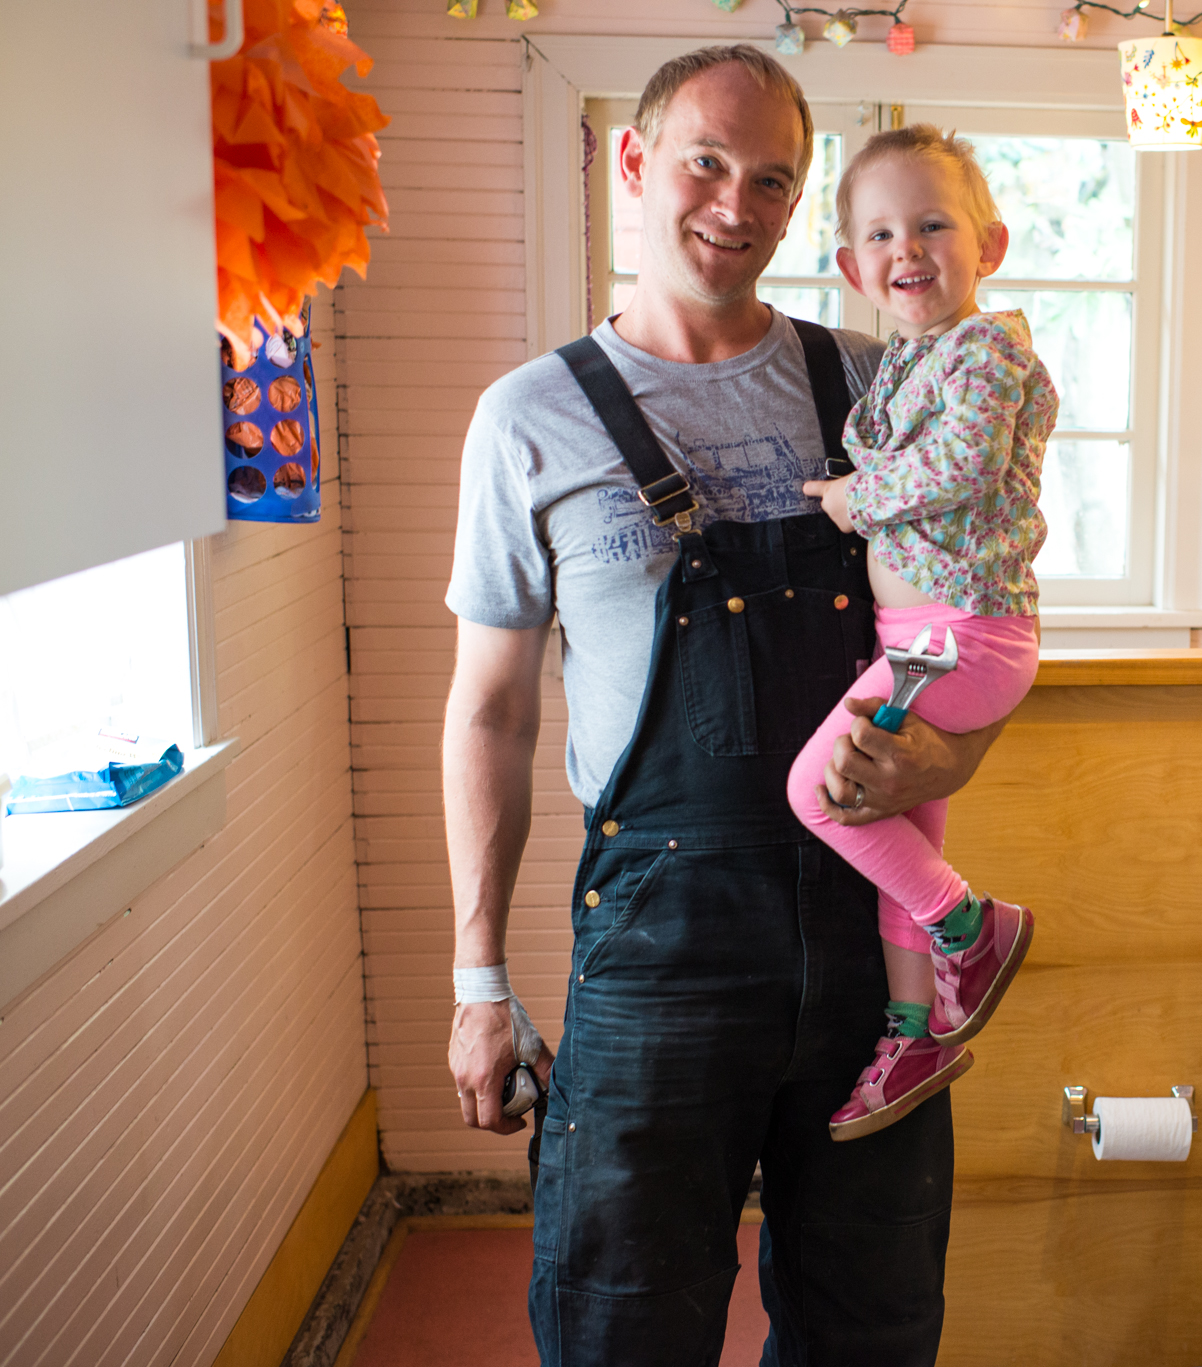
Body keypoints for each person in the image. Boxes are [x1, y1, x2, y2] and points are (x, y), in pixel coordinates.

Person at [440, 47, 1009, 1365]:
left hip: (873, 947)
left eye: (772, 178)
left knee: (870, 1321)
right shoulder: (530, 418)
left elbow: (978, 602)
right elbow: (491, 713)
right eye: (705, 161)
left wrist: (957, 746)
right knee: (622, 1317)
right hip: (660, 949)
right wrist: (479, 979)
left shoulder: (877, 386)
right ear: (635, 165)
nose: (733, 201)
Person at [786, 127, 1054, 1142]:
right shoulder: (903, 359)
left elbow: (964, 465)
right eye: (882, 232)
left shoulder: (985, 350)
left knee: (820, 791)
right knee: (899, 831)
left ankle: (970, 929)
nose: (909, 247)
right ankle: (918, 1027)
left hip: (957, 638)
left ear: (986, 243)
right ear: (855, 268)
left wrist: (856, 500)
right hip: (920, 638)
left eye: (933, 223)